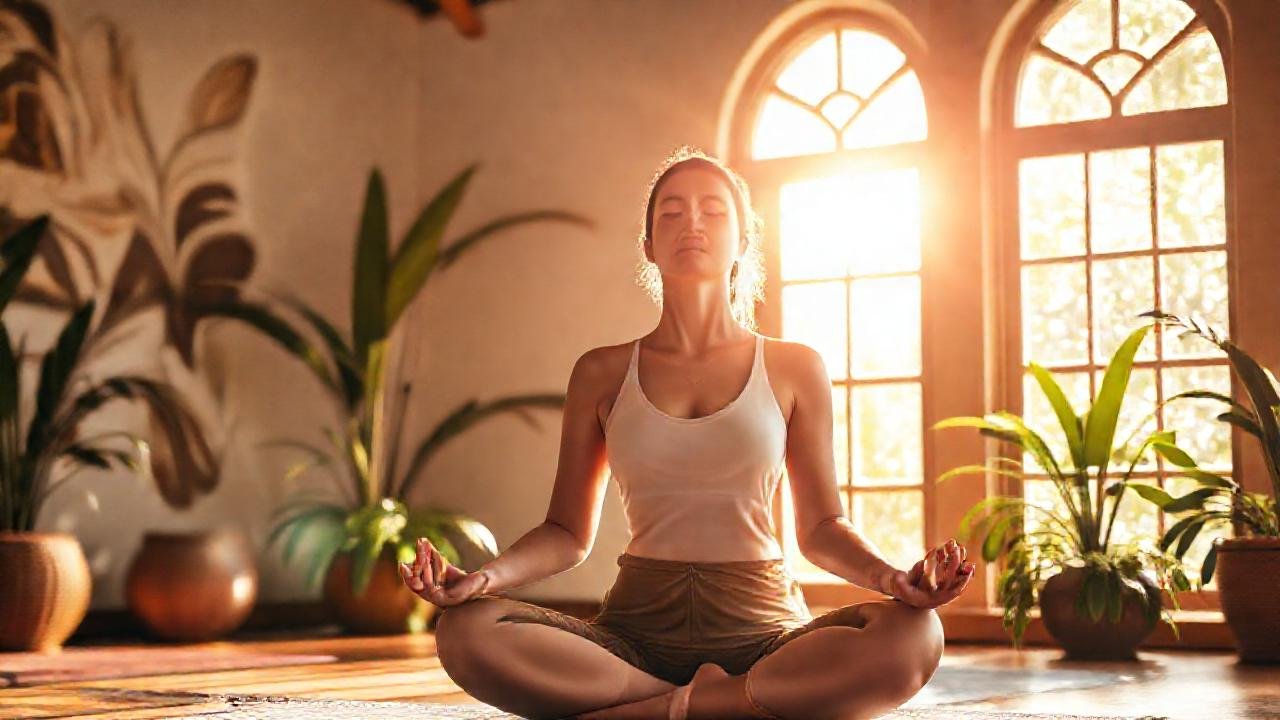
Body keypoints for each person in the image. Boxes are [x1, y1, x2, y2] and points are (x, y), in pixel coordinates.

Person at [399, 145, 973, 720]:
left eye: (712, 211)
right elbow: (566, 532)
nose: (691, 223)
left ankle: (651, 712)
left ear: (743, 240)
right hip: (633, 638)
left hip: (764, 633)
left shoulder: (795, 367)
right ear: (648, 245)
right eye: (671, 212)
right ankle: (728, 708)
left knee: (915, 636)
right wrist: (482, 579)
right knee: (467, 632)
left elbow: (822, 527)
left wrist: (893, 579)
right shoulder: (601, 371)